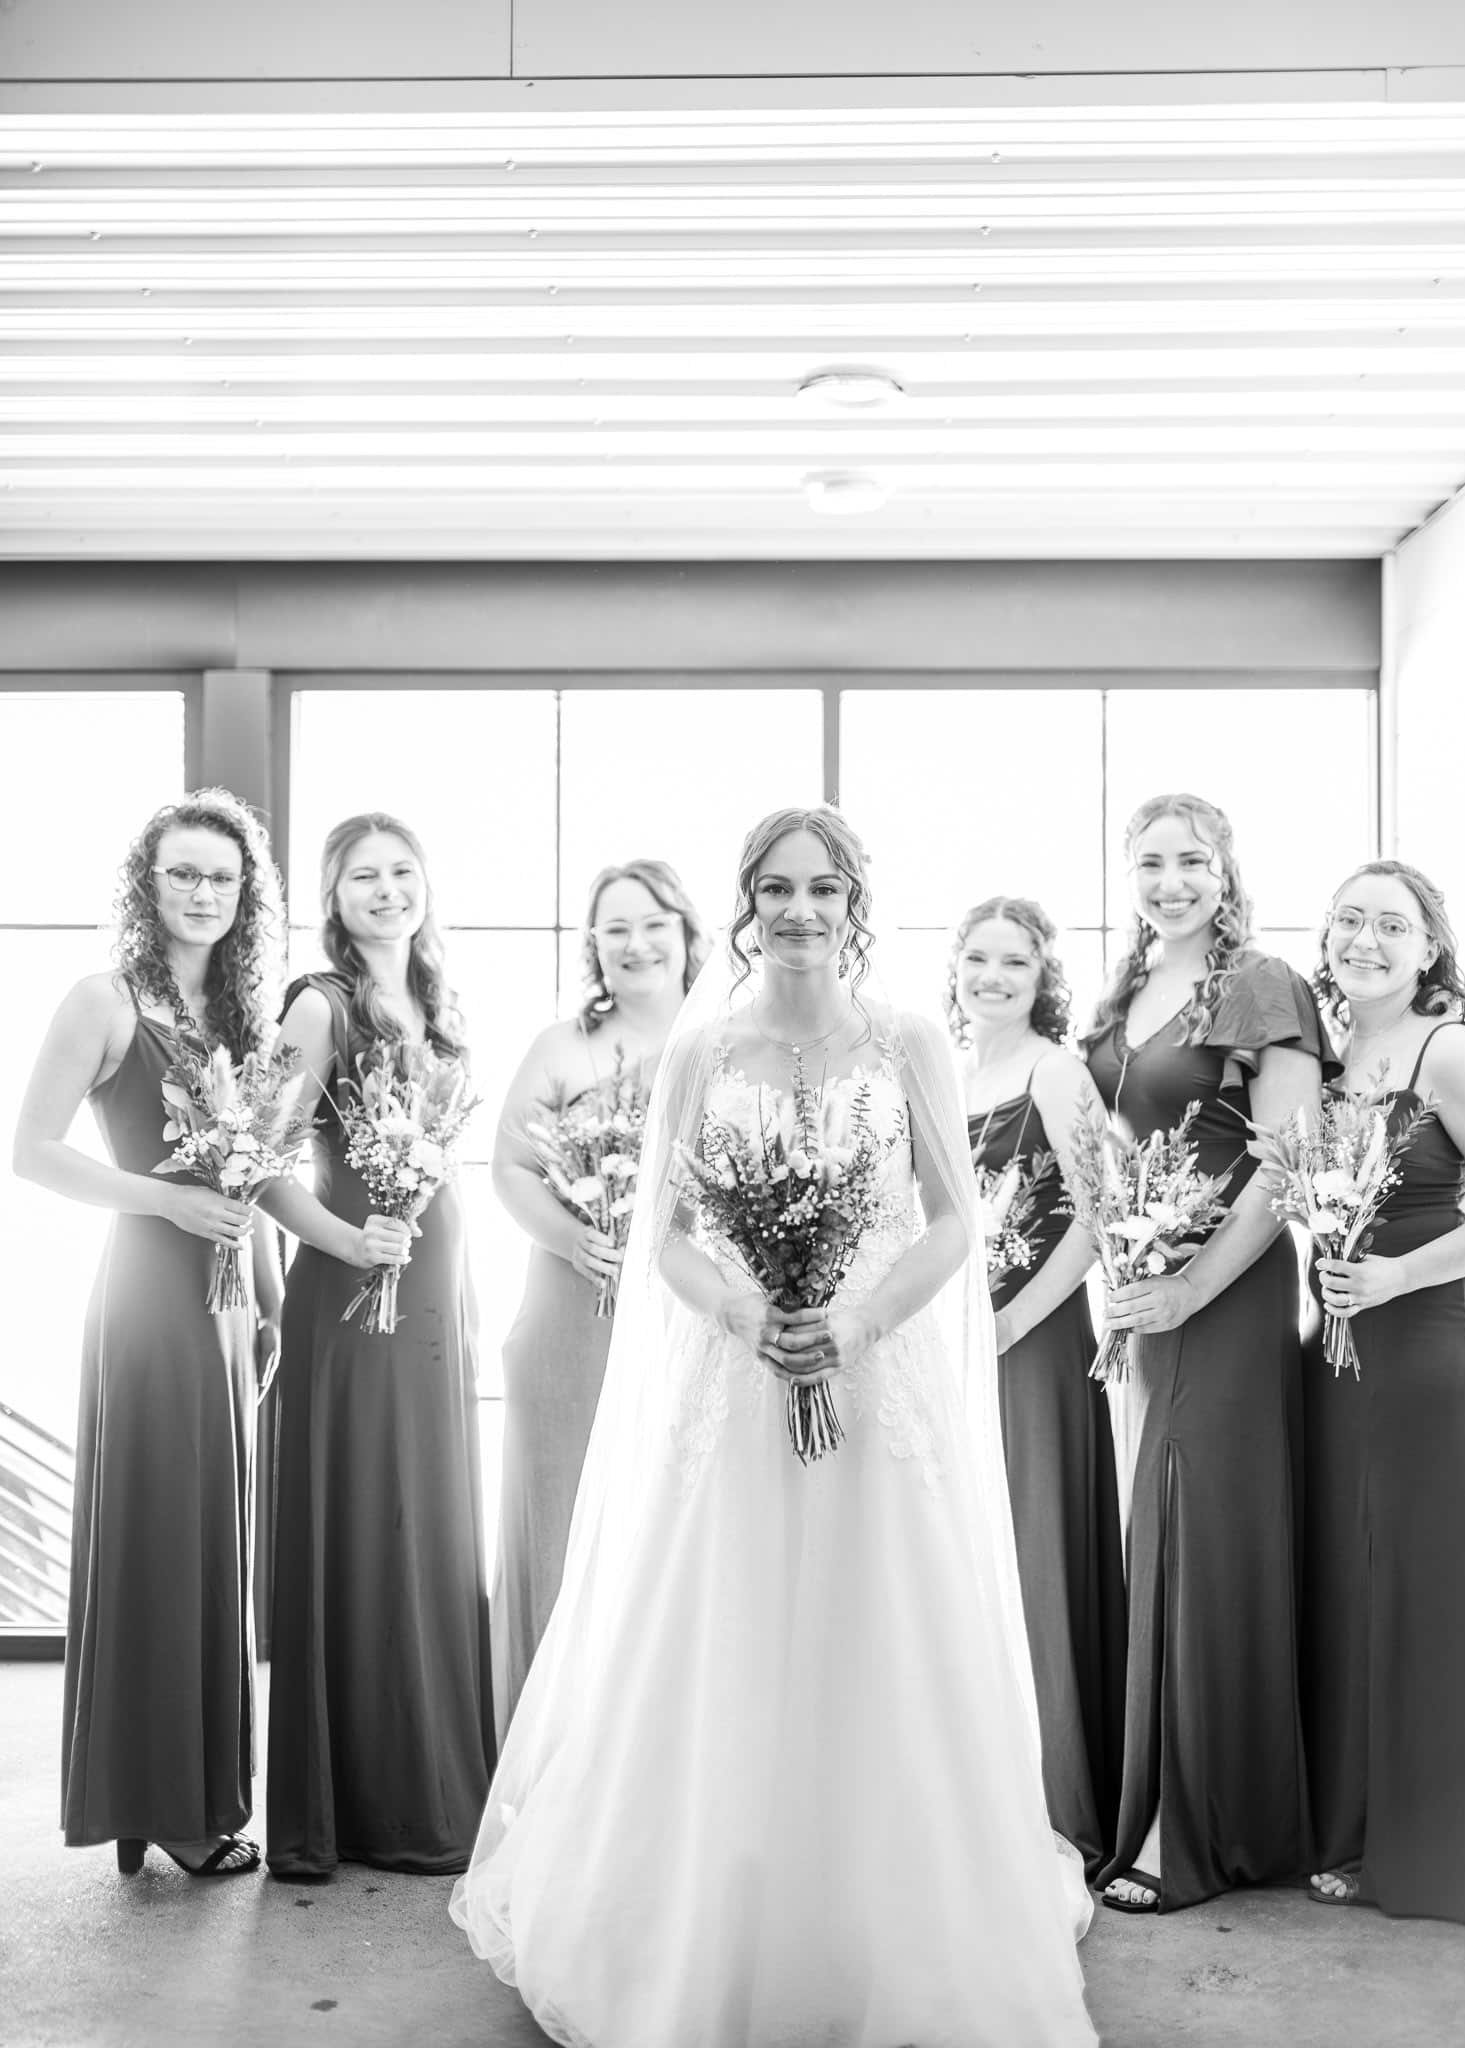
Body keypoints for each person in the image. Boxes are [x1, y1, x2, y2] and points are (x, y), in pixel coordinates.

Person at [452, 805, 1096, 2048]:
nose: (801, 909)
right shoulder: (707, 1050)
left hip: (877, 1378)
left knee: (879, 1629)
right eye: (778, 888)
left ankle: (890, 1919)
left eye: (824, 887)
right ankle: (711, 1916)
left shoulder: (910, 1040)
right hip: (736, 1380)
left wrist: (858, 1321)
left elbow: (952, 1223)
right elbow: (666, 1236)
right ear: (747, 903)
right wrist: (747, 1310)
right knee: (728, 1629)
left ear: (856, 902)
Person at [13, 789, 285, 1877]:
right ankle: (156, 1800)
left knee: (210, 1544)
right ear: (148, 880)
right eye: (183, 872)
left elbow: (256, 1180)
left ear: (245, 894)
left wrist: (269, 1298)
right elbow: (32, 1151)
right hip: (146, 1296)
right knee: (158, 1534)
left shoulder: (245, 1018)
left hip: (228, 1304)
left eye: (223, 877)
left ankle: (186, 1791)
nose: (203, 892)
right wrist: (166, 1202)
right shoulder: (104, 1000)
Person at [1082, 792, 1323, 1913]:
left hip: (1225, 1287)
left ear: (1225, 872)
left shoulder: (1258, 983)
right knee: (1165, 1523)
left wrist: (1187, 1287)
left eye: (1191, 861)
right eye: (1149, 862)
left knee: (1204, 1525)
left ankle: (1194, 1830)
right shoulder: (1125, 991)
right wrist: (1127, 1272)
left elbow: (1285, 1161)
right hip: (1147, 1287)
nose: (1170, 881)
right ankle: (1184, 1803)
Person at [261, 812, 494, 1877]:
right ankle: (370, 1805)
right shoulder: (321, 1004)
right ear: (333, 894)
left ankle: (435, 1777)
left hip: (434, 1298)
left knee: (427, 1524)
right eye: (364, 875)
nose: (388, 889)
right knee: (367, 1523)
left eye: (404, 870)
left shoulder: (435, 1002)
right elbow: (257, 1165)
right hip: (355, 1298)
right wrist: (351, 1240)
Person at [1304, 860, 1465, 1924]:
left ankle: (1440, 1854)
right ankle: (1365, 1825)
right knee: (1366, 1588)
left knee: (1428, 1589)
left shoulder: (1451, 1050)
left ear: (1429, 946)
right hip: (1347, 1348)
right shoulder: (1332, 1053)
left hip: (1436, 1339)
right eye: (1349, 920)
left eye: (1391, 925)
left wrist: (1397, 1275)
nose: (1366, 939)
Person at [490, 859, 707, 1733]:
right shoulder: (562, 1046)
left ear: (686, 932)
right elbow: (510, 1166)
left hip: (689, 1309)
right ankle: (554, 1739)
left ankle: (662, 1738)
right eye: (615, 928)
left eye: (653, 923)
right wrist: (573, 1237)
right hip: (570, 1306)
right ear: (594, 945)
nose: (636, 943)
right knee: (565, 1510)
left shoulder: (724, 1038)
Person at [950, 894, 1125, 1879]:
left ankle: (1052, 1802)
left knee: (1032, 1554)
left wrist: (1013, 1322)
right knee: (969, 1557)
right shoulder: (950, 1073)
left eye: (1015, 960)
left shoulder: (1055, 1071)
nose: (994, 976)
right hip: (956, 1344)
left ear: (1042, 975)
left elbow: (1101, 1216)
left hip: (1035, 1339)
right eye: (978, 957)